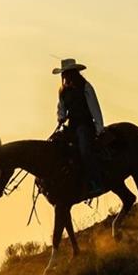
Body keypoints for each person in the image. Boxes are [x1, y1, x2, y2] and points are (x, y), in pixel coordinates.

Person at [53, 59, 105, 198]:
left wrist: (99, 128)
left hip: (85, 125)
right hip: (72, 126)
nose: (65, 77)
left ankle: (96, 182)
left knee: (85, 151)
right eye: (64, 74)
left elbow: (94, 108)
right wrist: (61, 117)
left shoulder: (86, 87)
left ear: (74, 73)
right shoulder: (63, 91)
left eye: (67, 74)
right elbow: (61, 108)